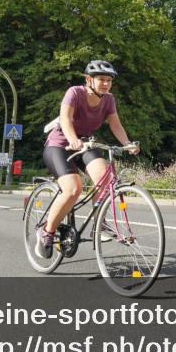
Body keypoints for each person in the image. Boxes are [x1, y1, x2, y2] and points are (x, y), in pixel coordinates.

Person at [37, 60, 139, 257]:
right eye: (101, 79)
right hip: (59, 144)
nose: (106, 84)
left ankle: (99, 225)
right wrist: (73, 139)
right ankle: (47, 232)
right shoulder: (75, 93)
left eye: (109, 80)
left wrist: (127, 143)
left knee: (105, 178)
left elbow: (115, 125)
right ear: (88, 79)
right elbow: (65, 119)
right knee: (73, 189)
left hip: (85, 144)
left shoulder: (108, 99)